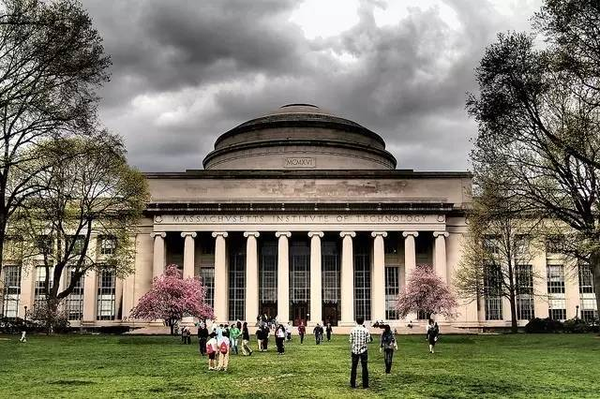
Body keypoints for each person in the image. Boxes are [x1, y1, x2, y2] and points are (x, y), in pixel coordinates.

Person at [349, 316, 370, 389]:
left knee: (354, 367)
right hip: (363, 350)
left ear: (356, 321)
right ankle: (365, 385)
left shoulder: (352, 330)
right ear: (363, 321)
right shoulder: (366, 330)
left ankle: (353, 384)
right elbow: (368, 341)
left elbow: (351, 340)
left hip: (355, 350)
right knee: (364, 367)